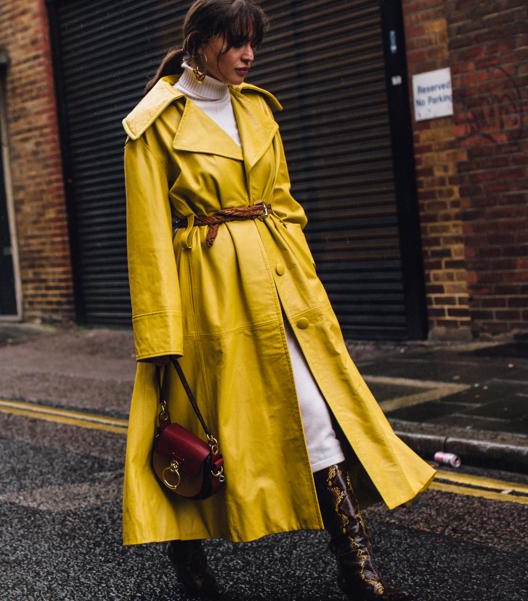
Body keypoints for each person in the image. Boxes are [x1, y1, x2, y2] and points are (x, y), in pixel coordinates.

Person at [121, 1, 434, 599]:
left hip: (280, 286)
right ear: (202, 42)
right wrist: (160, 334)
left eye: (253, 43)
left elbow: (285, 205)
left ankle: (356, 565)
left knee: (317, 415)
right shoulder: (153, 121)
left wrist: (305, 282)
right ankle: (186, 558)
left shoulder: (259, 110)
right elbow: (148, 238)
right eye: (237, 43)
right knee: (197, 427)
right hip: (205, 296)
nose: (248, 55)